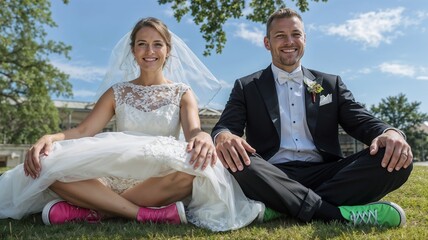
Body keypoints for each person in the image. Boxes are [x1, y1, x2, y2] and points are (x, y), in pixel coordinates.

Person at [0, 17, 264, 232]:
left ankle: (96, 209)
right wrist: (51, 136)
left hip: (158, 174)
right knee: (48, 165)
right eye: (142, 44)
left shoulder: (182, 92)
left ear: (168, 50)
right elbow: (83, 131)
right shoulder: (118, 92)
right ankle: (141, 213)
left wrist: (204, 137)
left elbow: (193, 131)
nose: (150, 51)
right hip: (114, 168)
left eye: (157, 44)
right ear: (133, 51)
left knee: (197, 171)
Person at [212, 8, 413, 228]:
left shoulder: (330, 84)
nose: (289, 41)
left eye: (296, 34)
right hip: (271, 173)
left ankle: (281, 205)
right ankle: (335, 214)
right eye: (280, 36)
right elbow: (226, 126)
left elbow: (361, 120)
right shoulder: (247, 86)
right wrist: (224, 136)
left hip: (326, 173)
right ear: (267, 43)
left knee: (396, 158)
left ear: (305, 39)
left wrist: (391, 133)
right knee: (240, 161)